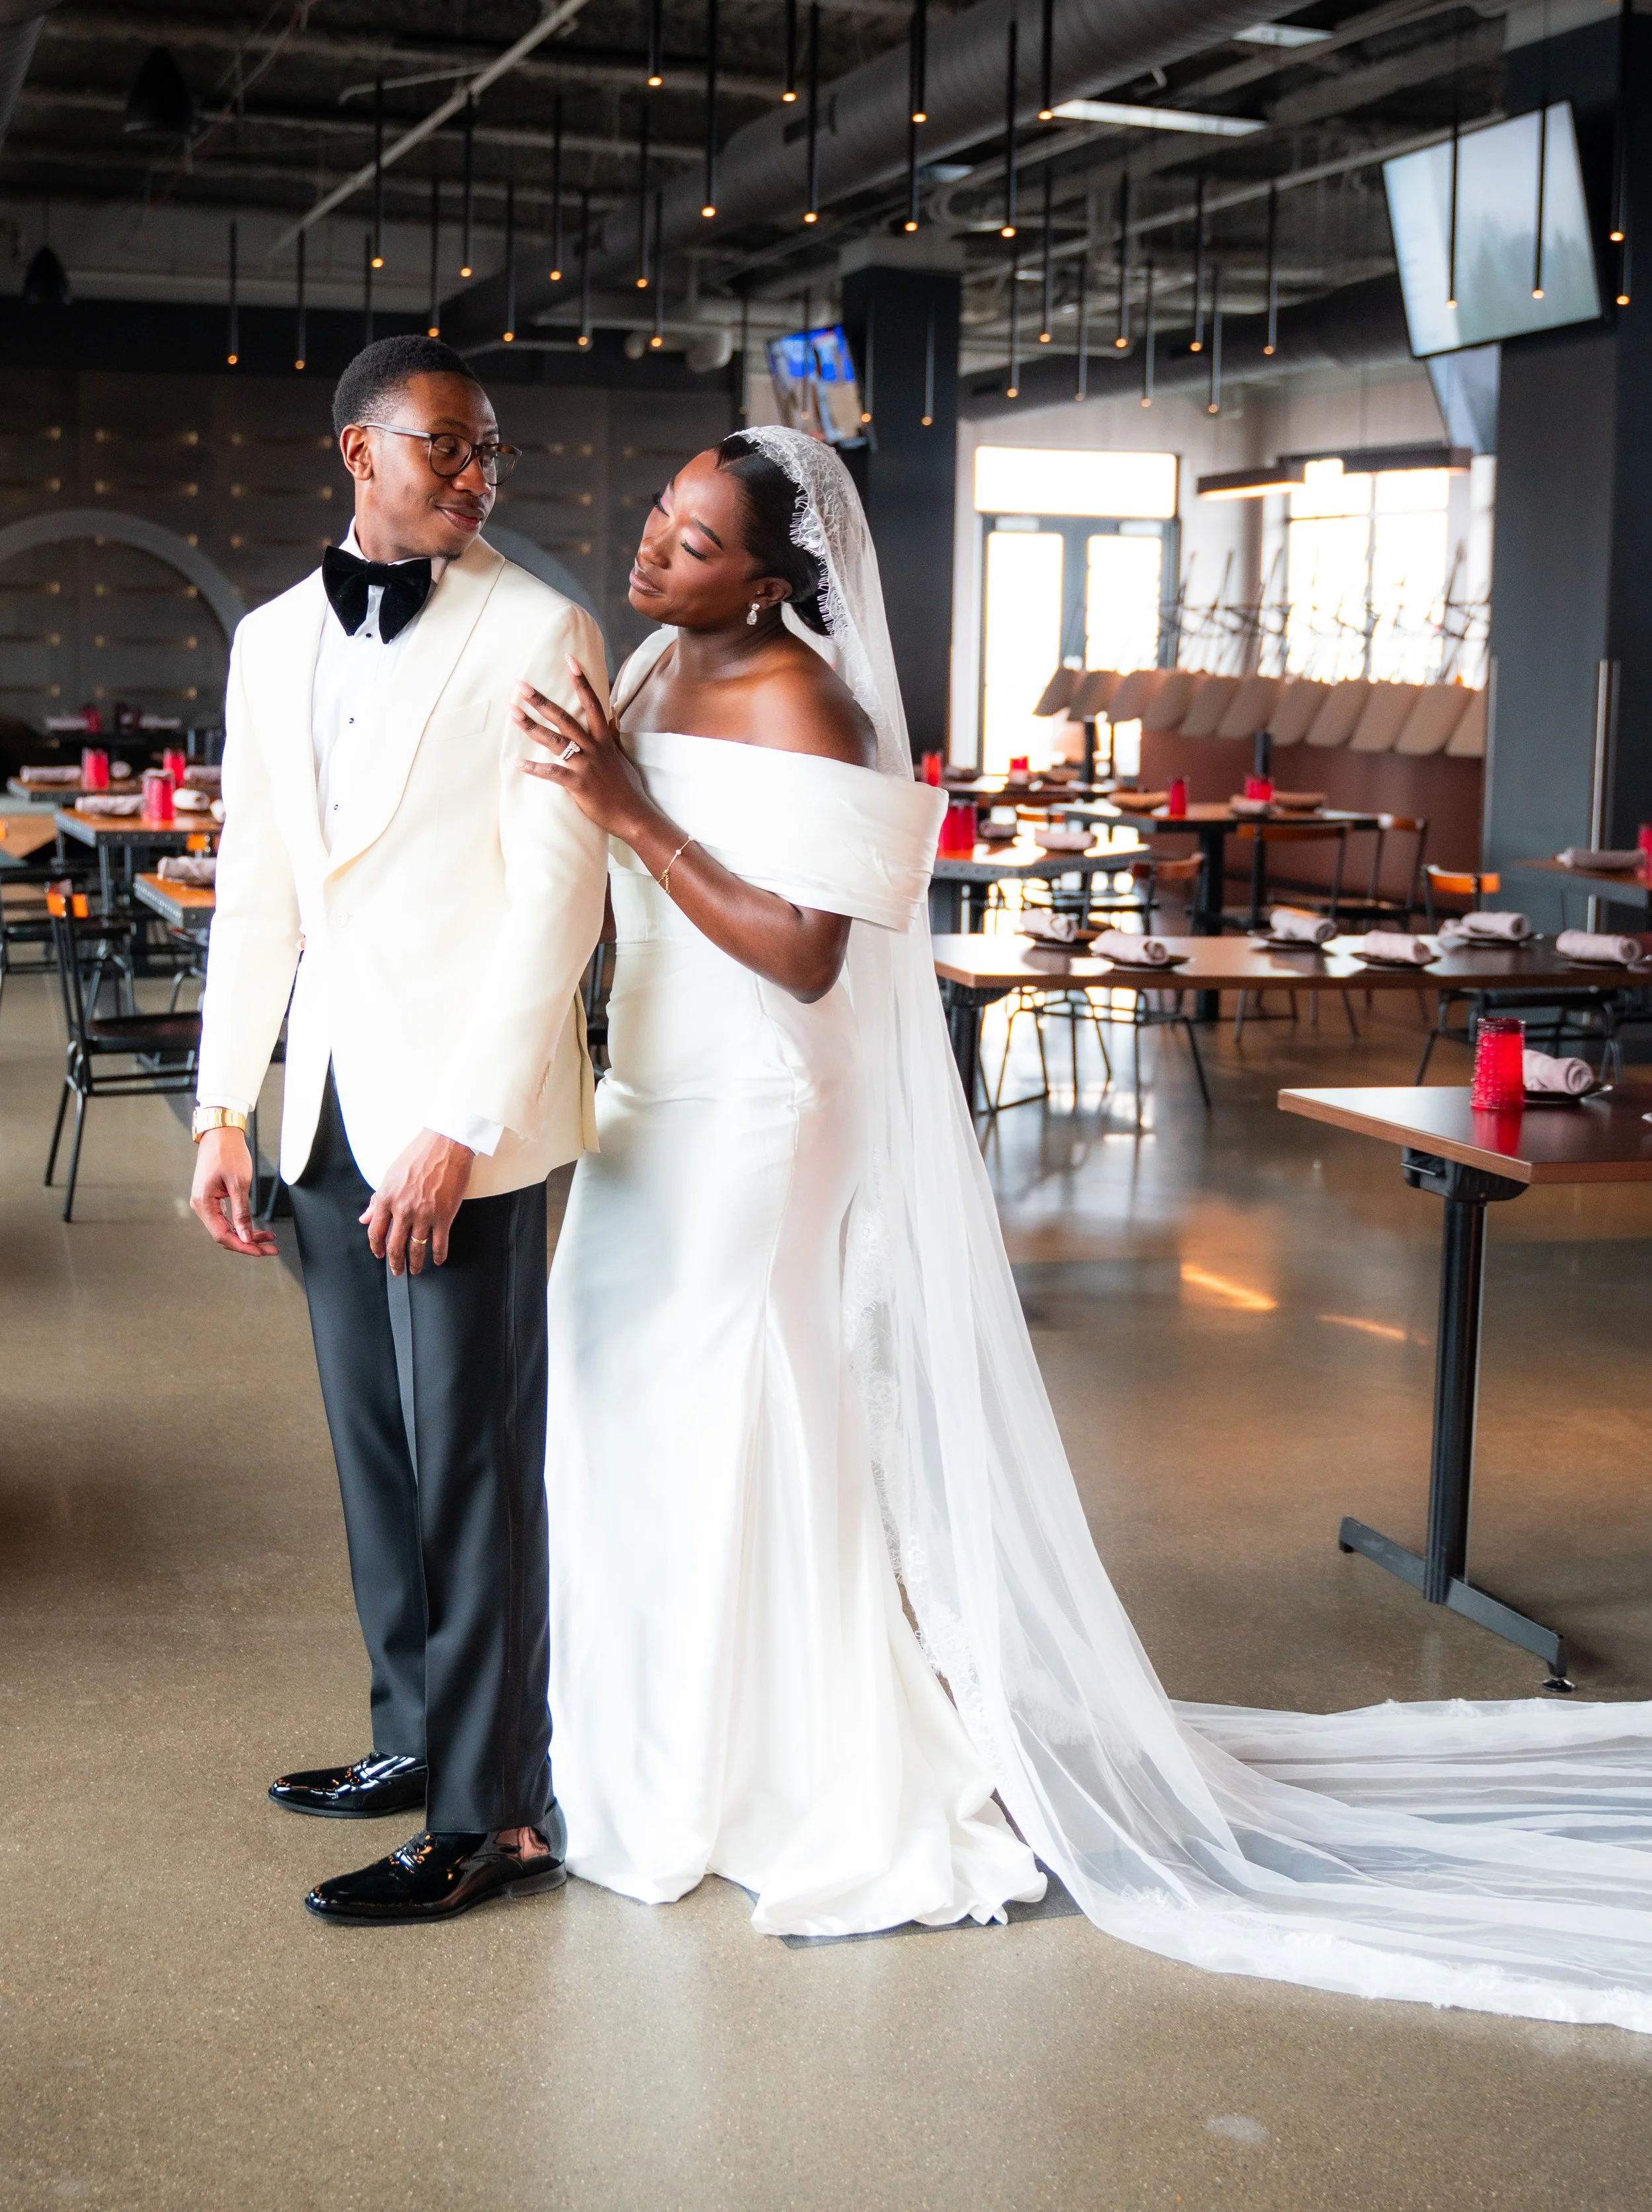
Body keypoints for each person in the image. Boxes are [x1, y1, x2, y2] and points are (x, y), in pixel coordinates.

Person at [515, 424, 1652, 2022]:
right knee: (623, 1408)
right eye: (657, 519)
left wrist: (631, 809)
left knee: (733, 1410)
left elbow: (804, 955)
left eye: (694, 544)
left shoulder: (809, 706)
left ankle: (782, 1761)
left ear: (774, 582)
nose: (652, 552)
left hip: (762, 1114)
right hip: (649, 1104)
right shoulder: (645, 667)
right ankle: (649, 1741)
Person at [190, 334, 609, 1925]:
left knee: (476, 1467)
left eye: (489, 448)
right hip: (321, 1121)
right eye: (449, 444)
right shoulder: (274, 639)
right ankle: (411, 1738)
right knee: (377, 1455)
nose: (477, 471)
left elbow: (555, 906)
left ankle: (493, 1816)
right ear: (358, 450)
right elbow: (259, 891)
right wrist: (228, 1106)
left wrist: (460, 1125)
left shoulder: (541, 629)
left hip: (462, 1132)